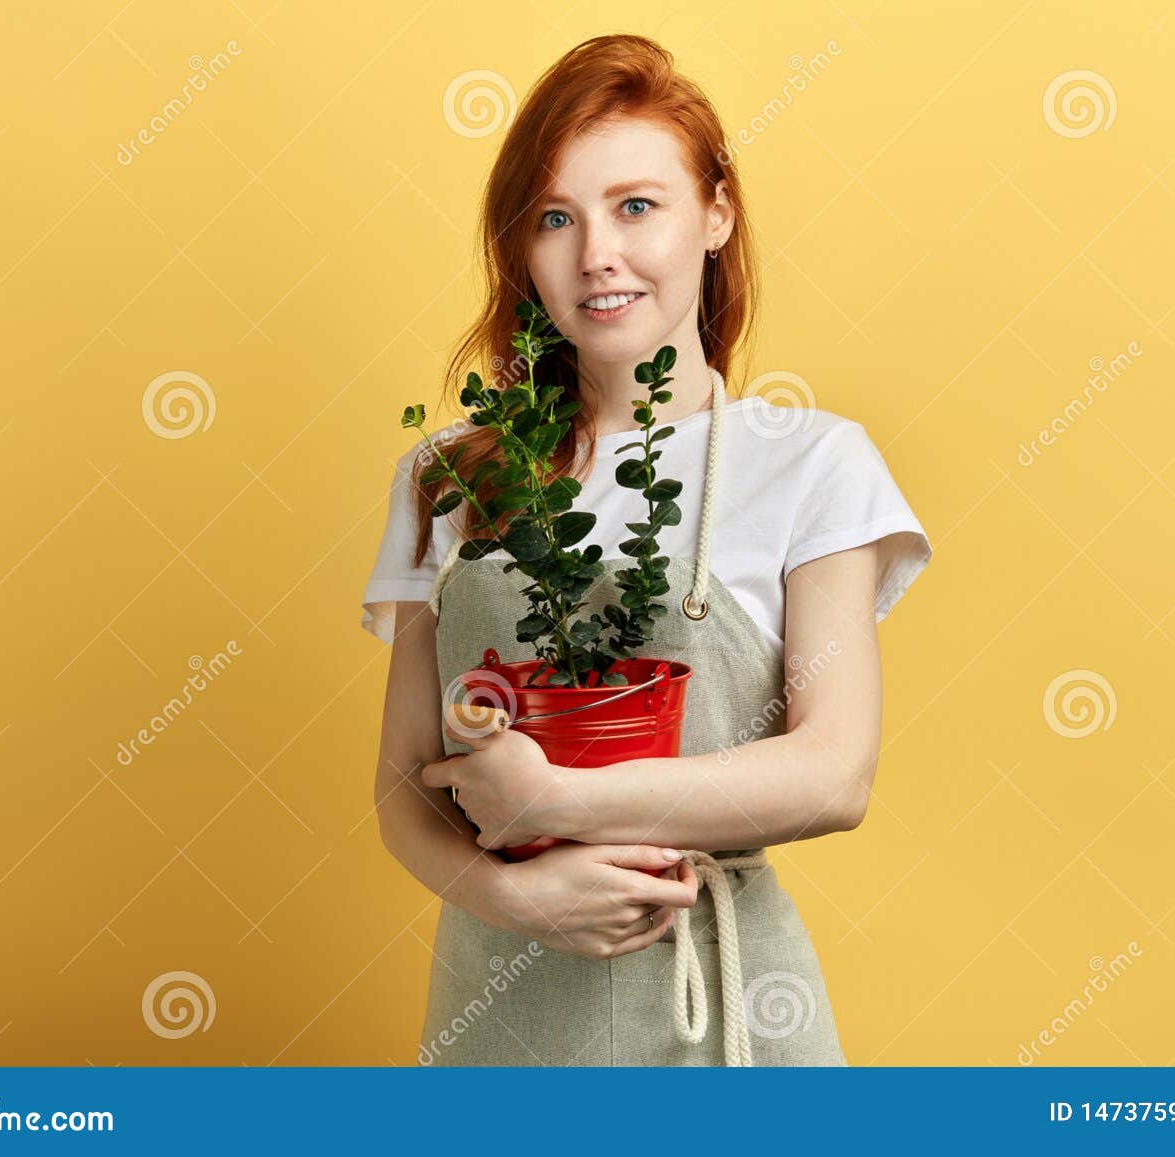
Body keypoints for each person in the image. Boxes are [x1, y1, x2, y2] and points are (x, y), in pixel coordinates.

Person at [360, 34, 932, 1066]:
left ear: (714, 213)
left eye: (636, 205)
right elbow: (404, 782)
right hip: (497, 1013)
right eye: (554, 217)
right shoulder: (447, 475)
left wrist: (558, 802)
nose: (596, 257)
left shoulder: (811, 462)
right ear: (520, 247)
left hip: (725, 1011)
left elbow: (832, 770)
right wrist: (516, 894)